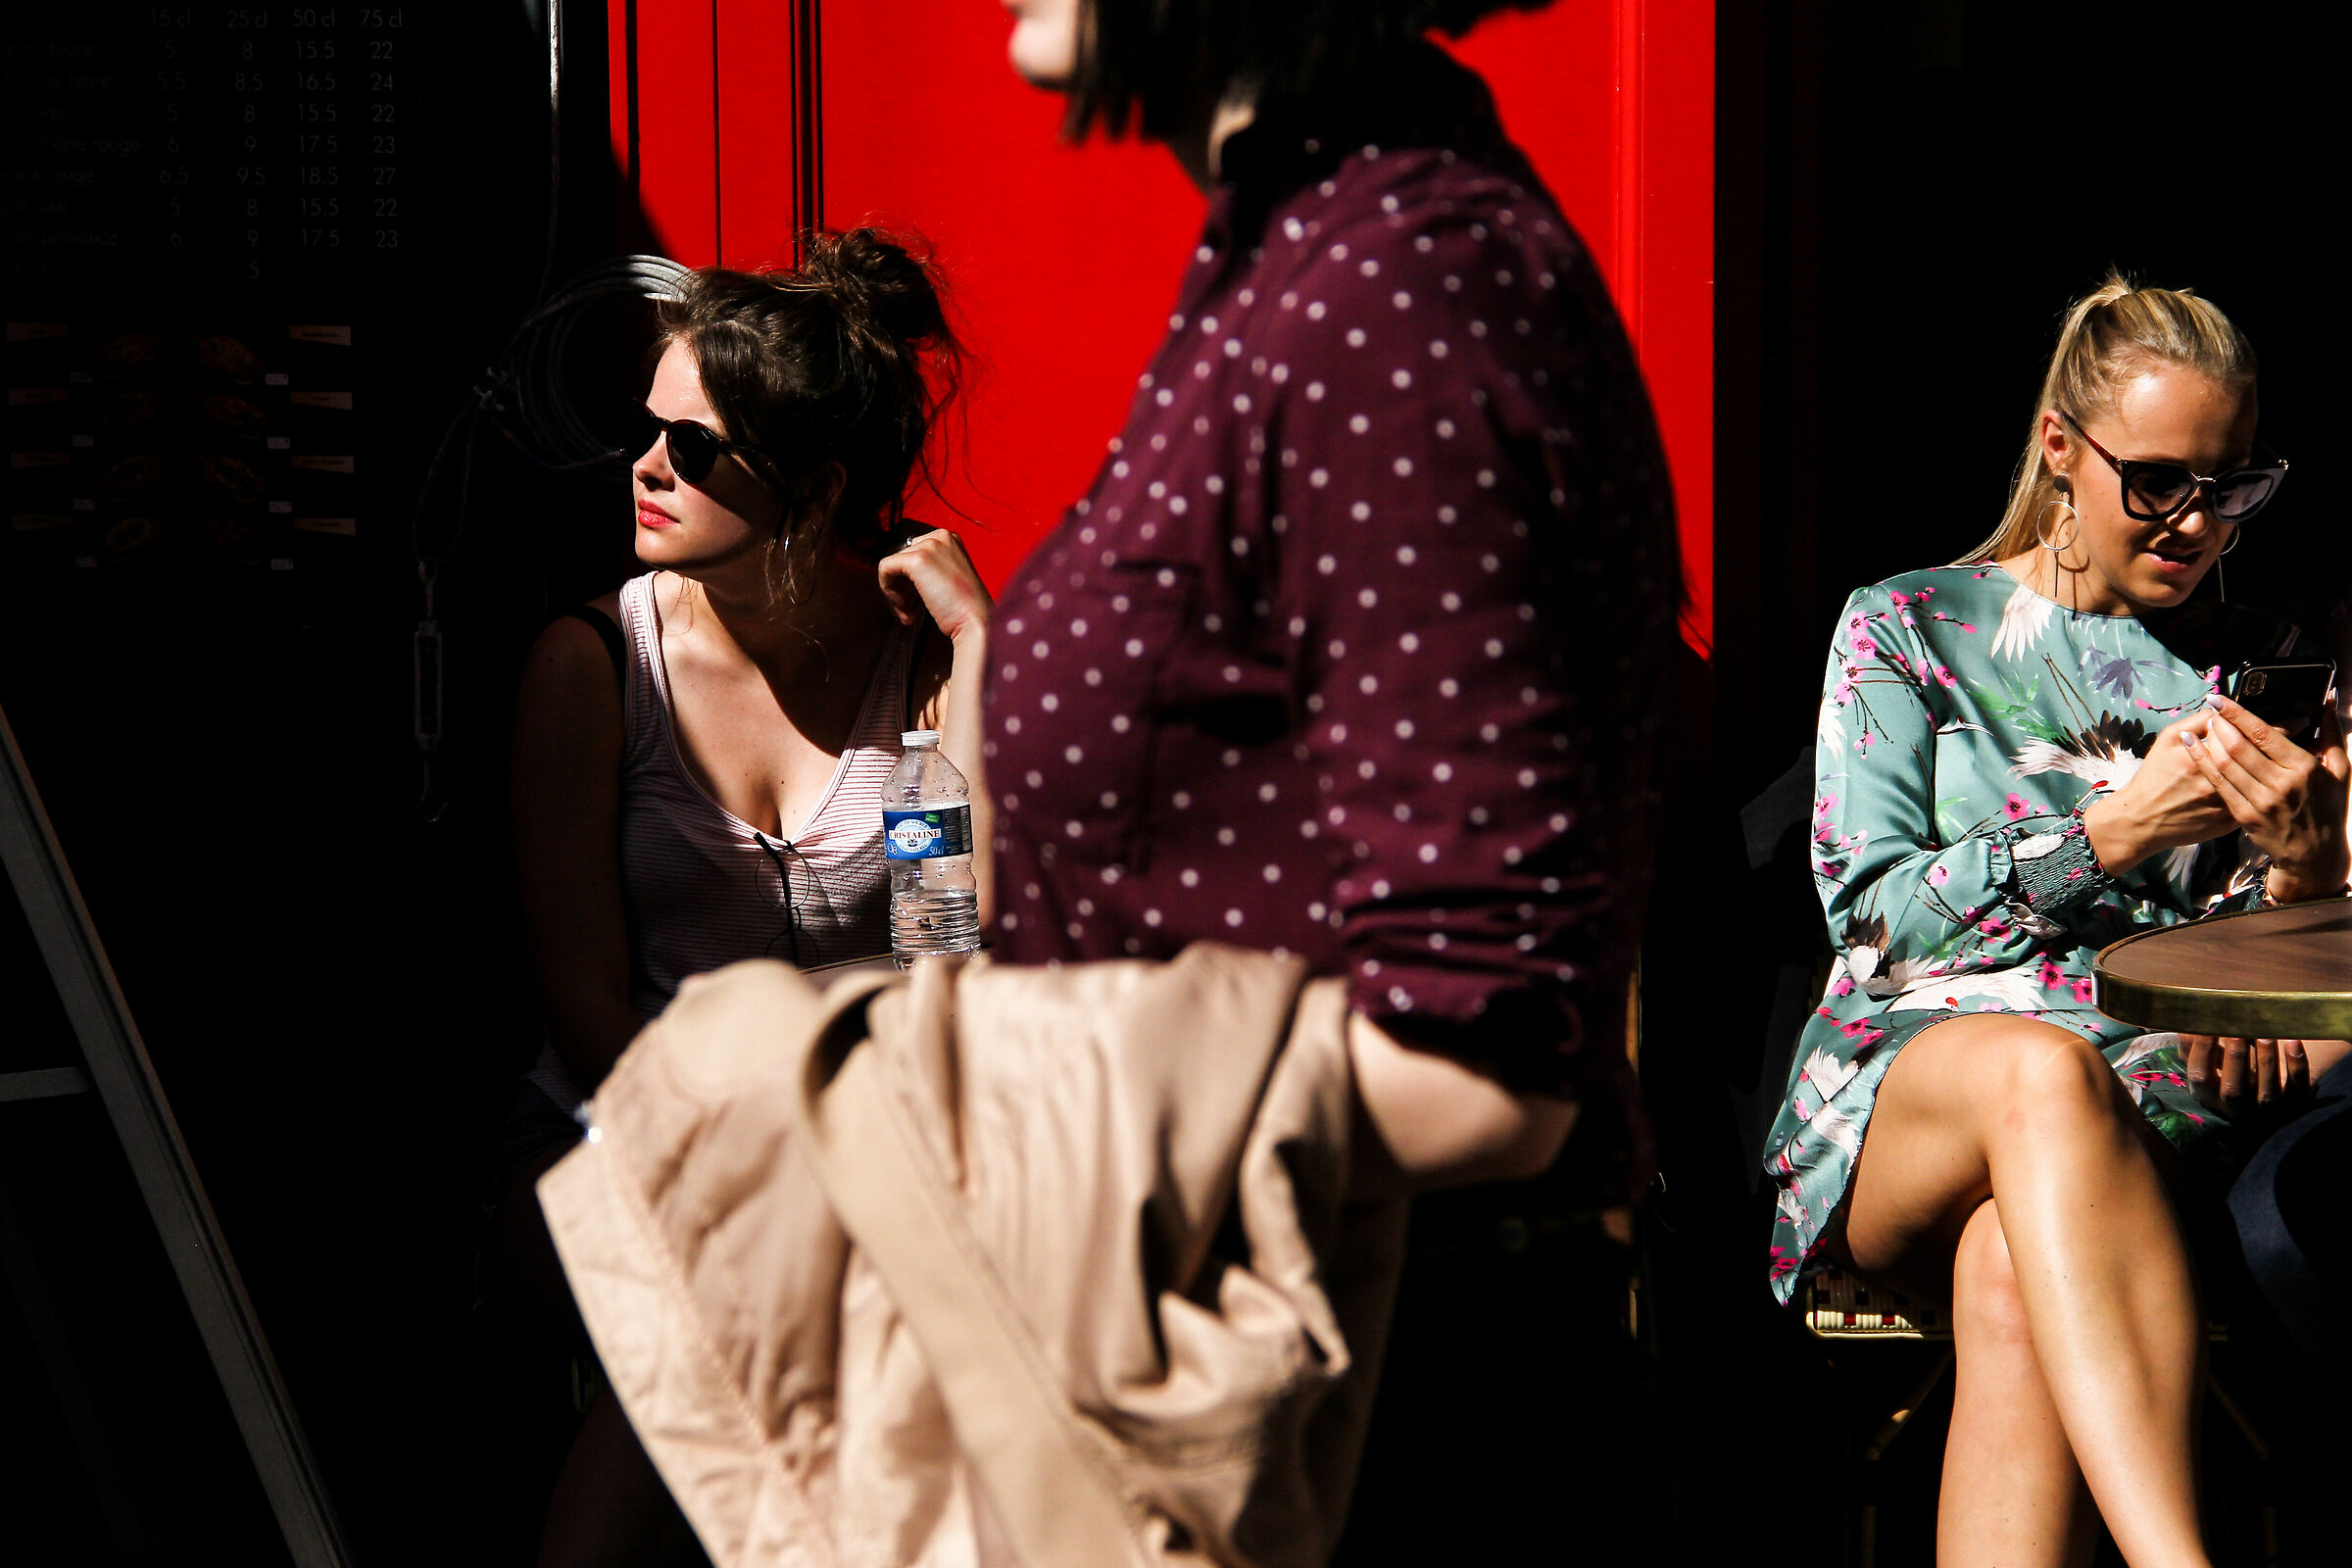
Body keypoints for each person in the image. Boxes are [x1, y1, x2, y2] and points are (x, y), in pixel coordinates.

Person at [991, 0, 1678, 1547]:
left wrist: (936, 1127)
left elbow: (1483, 1061)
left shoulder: (1403, 288)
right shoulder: (1320, 245)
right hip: (1292, 1370)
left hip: (1382, 1419)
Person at [1765, 275, 2349, 1568]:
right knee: (2043, 1078)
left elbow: (2280, 995)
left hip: (2150, 1108)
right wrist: (2114, 831)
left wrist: (2308, 883)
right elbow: (1874, 926)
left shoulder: (2279, 655)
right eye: (2156, 482)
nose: (2197, 522)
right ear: (2059, 452)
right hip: (1915, 1092)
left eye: (2232, 484)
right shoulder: (1910, 626)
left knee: (2010, 1277)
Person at [496, 229, 993, 1568]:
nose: (648, 468)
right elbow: (594, 1015)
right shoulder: (595, 671)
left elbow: (944, 953)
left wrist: (980, 659)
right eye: (648, 431)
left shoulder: (916, 680)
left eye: (696, 449)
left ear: (817, 492)